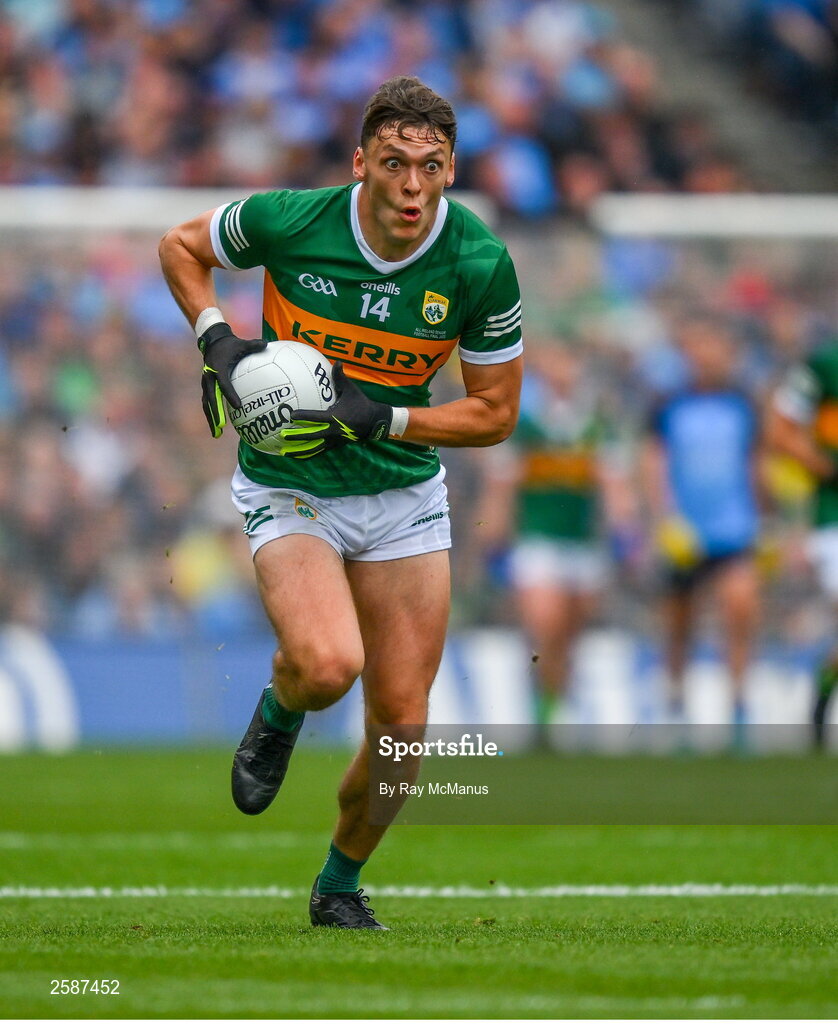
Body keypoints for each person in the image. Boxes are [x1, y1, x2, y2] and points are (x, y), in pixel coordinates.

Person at [158, 76, 523, 928]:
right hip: (292, 484)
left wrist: (385, 414)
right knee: (327, 664)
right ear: (360, 161)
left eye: (430, 166)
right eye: (393, 163)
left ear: (450, 169)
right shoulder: (293, 220)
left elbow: (496, 413)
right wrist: (217, 342)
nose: (411, 186)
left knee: (402, 737)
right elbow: (180, 245)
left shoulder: (478, 263)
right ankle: (281, 708)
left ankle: (338, 884)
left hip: (402, 496)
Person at [478, 342, 633, 737]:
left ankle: (554, 703)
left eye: (569, 360)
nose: (562, 369)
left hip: (583, 546)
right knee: (545, 623)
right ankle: (542, 707)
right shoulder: (526, 423)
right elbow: (502, 487)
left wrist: (625, 531)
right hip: (537, 541)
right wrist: (492, 540)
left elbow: (615, 486)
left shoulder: (597, 423)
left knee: (570, 634)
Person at [640, 313, 762, 741]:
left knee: (740, 609)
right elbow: (653, 464)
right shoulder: (668, 405)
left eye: (716, 348)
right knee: (679, 626)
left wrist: (772, 520)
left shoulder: (745, 405)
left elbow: (755, 465)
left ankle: (739, 710)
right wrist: (664, 519)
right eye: (699, 348)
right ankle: (676, 708)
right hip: (683, 535)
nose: (708, 357)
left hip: (734, 531)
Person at [767, 338, 838, 748]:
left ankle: (823, 693)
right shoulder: (823, 363)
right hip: (833, 514)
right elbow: (781, 430)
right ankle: (822, 700)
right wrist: (826, 467)